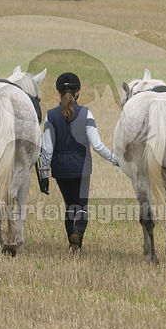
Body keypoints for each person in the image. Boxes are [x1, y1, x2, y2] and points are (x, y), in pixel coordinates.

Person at [40, 72, 118, 253]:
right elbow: (97, 145)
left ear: (58, 93)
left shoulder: (50, 116)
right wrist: (115, 160)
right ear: (78, 93)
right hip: (81, 169)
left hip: (60, 169)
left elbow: (47, 150)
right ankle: (77, 239)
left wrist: (44, 174)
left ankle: (72, 245)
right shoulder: (86, 113)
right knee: (81, 205)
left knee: (69, 205)